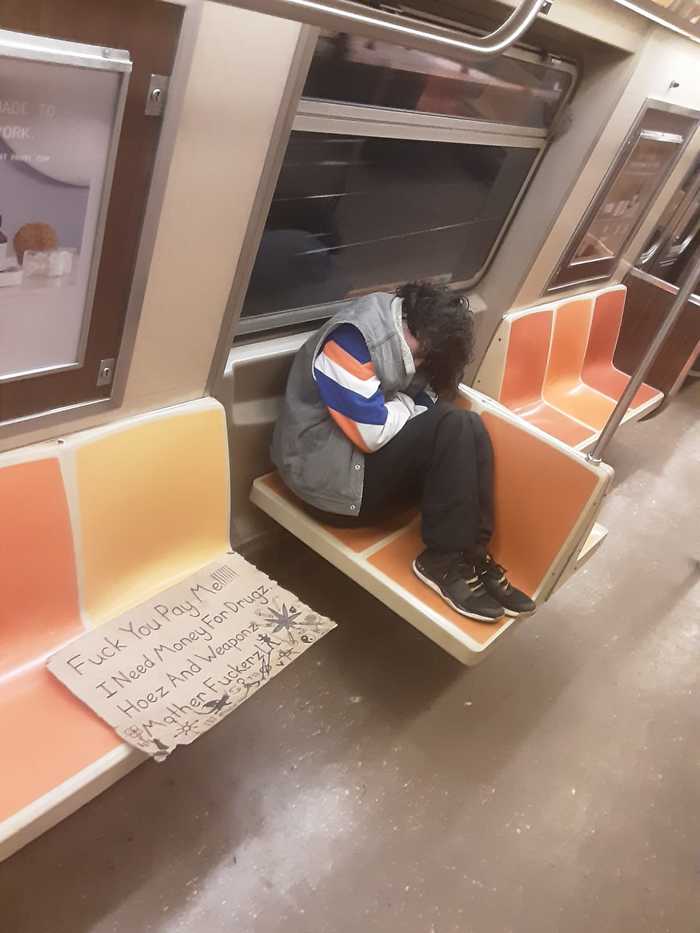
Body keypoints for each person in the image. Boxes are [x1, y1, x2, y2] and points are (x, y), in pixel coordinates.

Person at [271, 282, 535, 622]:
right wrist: (404, 405)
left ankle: (471, 551)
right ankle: (439, 560)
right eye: (421, 353)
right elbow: (373, 433)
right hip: (324, 483)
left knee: (470, 425)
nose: (420, 363)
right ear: (413, 326)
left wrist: (397, 405)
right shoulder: (352, 343)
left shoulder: (415, 336)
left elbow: (427, 398)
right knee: (450, 424)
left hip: (356, 468)